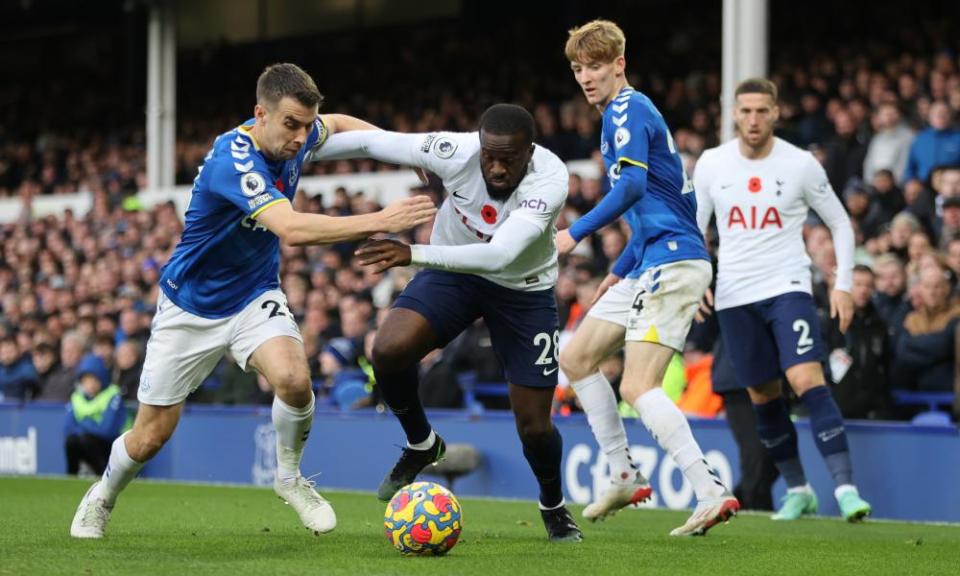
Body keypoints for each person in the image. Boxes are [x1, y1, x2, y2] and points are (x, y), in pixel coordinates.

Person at [70, 63, 436, 539]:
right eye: (291, 125)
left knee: (294, 379)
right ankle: (102, 495)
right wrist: (382, 217)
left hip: (253, 294)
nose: (302, 137)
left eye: (307, 126)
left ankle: (289, 478)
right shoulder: (233, 159)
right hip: (190, 307)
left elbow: (343, 124)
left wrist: (402, 150)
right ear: (259, 114)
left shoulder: (297, 133)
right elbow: (292, 228)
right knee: (149, 437)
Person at [310, 104, 582, 542]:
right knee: (388, 350)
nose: (495, 167)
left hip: (522, 289)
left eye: (508, 159)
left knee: (533, 424)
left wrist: (411, 253)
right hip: (454, 274)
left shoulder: (549, 180)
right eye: (488, 157)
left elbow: (500, 256)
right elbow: (371, 141)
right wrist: (291, 153)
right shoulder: (454, 150)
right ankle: (421, 441)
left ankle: (553, 505)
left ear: (529, 153)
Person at [554, 19, 738, 537]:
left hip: (675, 261)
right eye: (577, 68)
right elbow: (652, 211)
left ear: (619, 64)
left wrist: (577, 233)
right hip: (651, 258)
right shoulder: (620, 115)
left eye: (594, 66)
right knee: (578, 356)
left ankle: (709, 490)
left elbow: (632, 187)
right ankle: (621, 472)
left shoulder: (628, 108)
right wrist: (617, 271)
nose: (585, 77)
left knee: (638, 385)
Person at [693, 78, 872, 522]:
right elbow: (696, 229)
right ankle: (799, 489)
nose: (753, 119)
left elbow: (840, 223)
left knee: (807, 377)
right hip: (735, 295)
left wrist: (843, 282)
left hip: (787, 286)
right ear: (733, 114)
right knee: (761, 394)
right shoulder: (712, 163)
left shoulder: (800, 165)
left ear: (776, 113)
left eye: (762, 111)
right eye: (746, 111)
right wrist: (695, 280)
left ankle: (847, 489)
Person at [64, 354, 126, 475]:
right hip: (88, 441)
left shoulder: (112, 395)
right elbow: (68, 428)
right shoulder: (77, 397)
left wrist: (84, 421)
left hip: (111, 446)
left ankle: (104, 476)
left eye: (93, 379)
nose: (90, 384)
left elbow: (108, 430)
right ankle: (71, 477)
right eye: (86, 380)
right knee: (71, 441)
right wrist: (89, 426)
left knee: (87, 439)